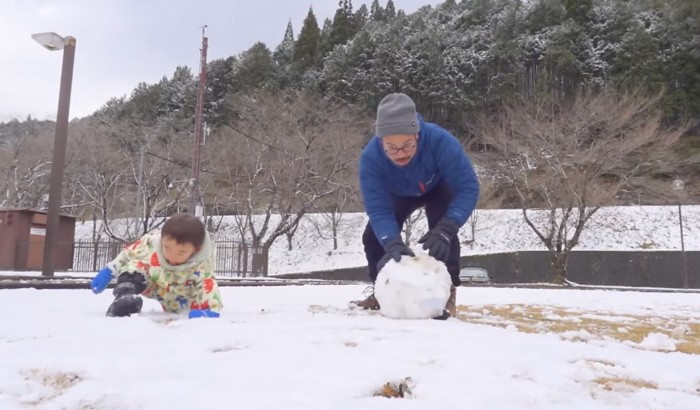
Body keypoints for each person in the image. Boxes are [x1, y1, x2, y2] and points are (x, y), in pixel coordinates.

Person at [352, 92, 480, 318]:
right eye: (391, 147)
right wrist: (390, 242)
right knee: (373, 237)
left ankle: (447, 292)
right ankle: (382, 290)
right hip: (397, 193)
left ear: (418, 135)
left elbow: (468, 186)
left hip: (438, 187)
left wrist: (448, 227)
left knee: (442, 235)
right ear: (381, 141)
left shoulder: (440, 141)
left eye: (407, 145)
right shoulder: (371, 158)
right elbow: (378, 206)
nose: (400, 153)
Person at [90, 213, 223, 318]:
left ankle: (203, 310)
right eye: (167, 248)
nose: (171, 256)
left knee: (206, 282)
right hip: (156, 284)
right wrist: (109, 271)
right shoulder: (153, 242)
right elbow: (129, 253)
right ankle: (126, 297)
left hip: (184, 296)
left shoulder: (201, 263)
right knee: (135, 265)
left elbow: (208, 286)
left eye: (181, 253)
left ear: (196, 250)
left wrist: (211, 309)